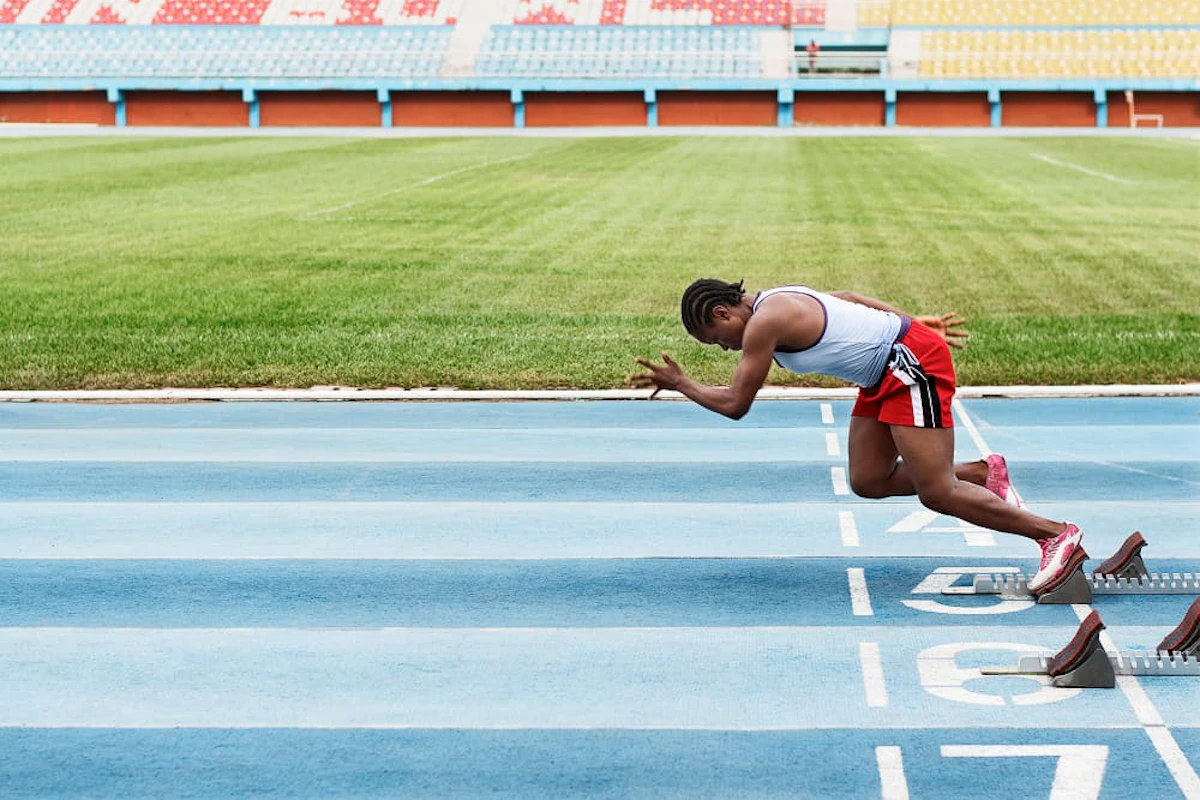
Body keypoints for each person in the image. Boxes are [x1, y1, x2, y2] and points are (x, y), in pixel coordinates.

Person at [628, 279, 1084, 593]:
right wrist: (915, 322)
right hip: (884, 369)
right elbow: (846, 297)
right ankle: (985, 475)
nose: (725, 347)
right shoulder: (776, 297)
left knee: (938, 492)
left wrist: (683, 384)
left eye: (715, 338)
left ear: (722, 312)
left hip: (909, 365)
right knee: (868, 479)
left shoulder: (765, 323)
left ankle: (1055, 536)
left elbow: (736, 404)